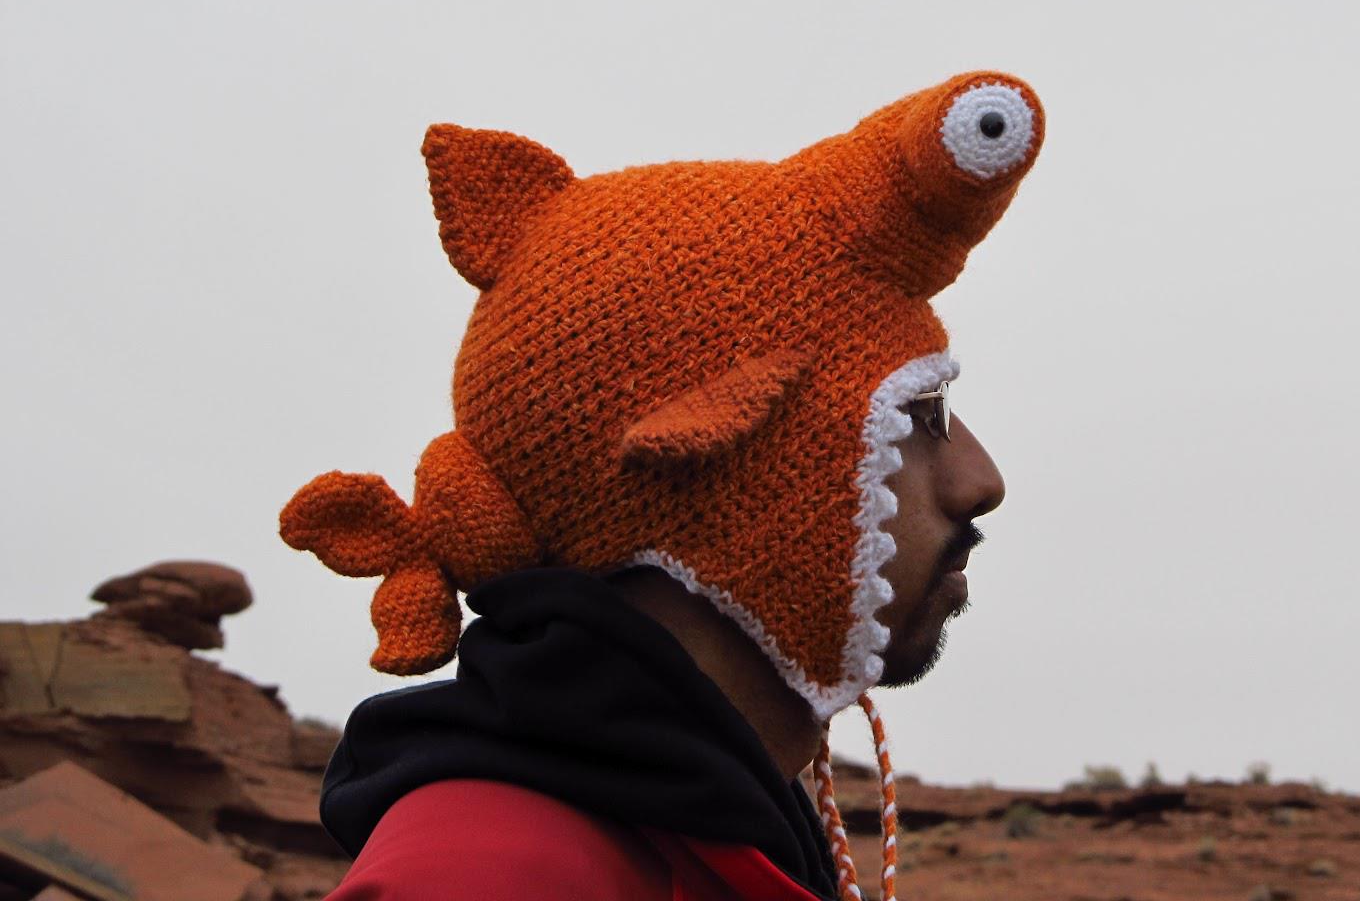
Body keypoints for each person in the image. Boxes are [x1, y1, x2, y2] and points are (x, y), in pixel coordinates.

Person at [282, 71, 1046, 899]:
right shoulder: (485, 879)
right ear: (719, 468)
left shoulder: (730, 842)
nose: (981, 480)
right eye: (916, 412)